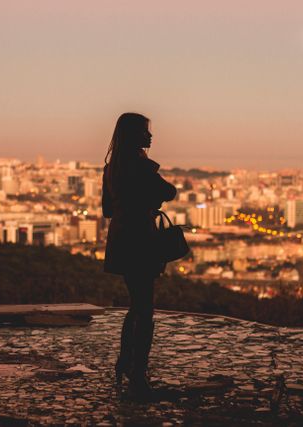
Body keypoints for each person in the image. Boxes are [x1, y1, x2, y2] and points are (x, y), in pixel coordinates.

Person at [101, 112, 177, 401]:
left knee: (137, 303)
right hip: (141, 239)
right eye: (145, 131)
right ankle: (138, 374)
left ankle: (125, 363)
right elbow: (169, 191)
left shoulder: (111, 168)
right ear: (134, 135)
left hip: (121, 239)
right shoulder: (140, 166)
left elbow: (107, 209)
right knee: (144, 309)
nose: (150, 136)